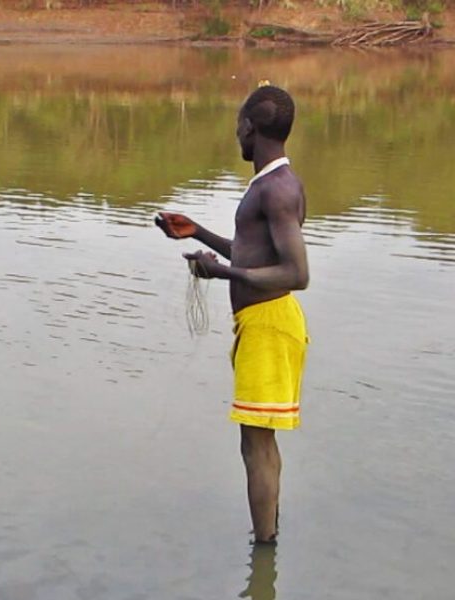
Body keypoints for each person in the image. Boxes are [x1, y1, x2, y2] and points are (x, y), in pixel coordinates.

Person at [155, 84, 309, 544]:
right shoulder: (270, 184)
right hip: (262, 325)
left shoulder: (277, 189)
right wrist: (197, 232)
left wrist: (221, 272)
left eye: (238, 126)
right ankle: (269, 535)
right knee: (259, 441)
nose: (236, 134)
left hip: (270, 326)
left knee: (255, 445)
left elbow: (297, 273)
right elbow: (256, 253)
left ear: (250, 127)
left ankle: (263, 550)